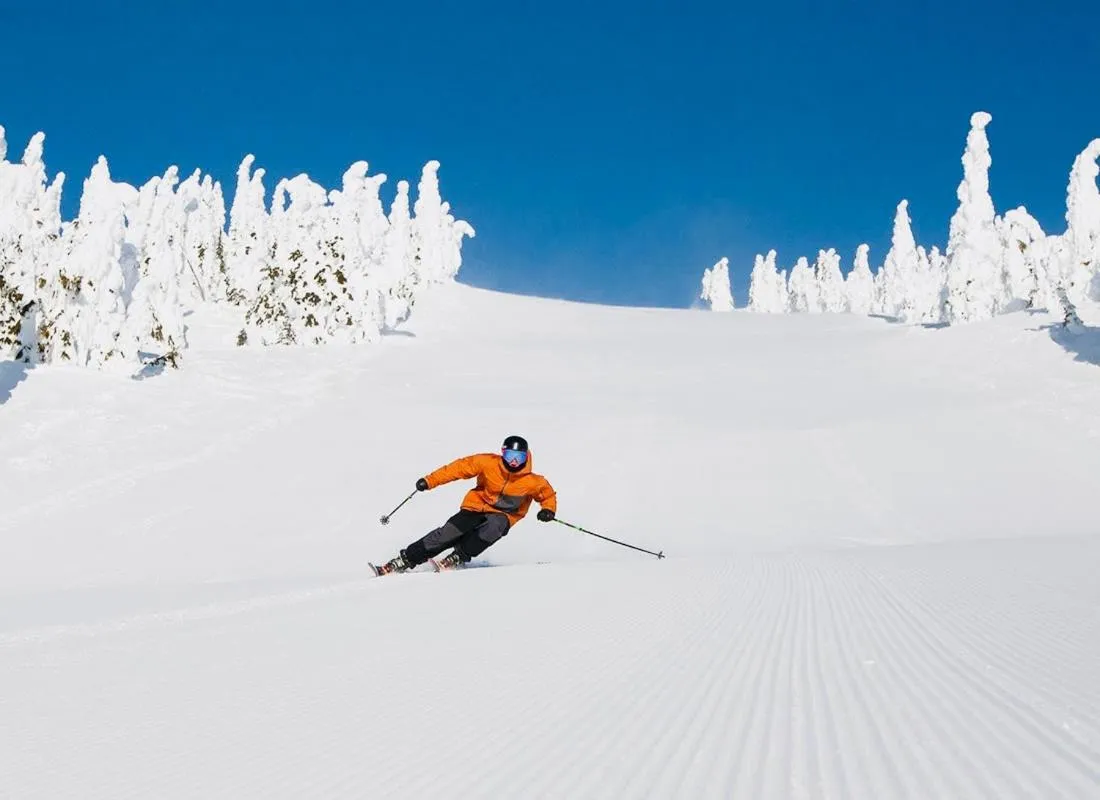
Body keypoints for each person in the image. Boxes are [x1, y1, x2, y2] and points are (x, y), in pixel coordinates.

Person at [374, 435, 558, 574]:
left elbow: (547, 495)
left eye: (519, 457)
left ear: (527, 457)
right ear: (503, 453)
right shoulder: (488, 463)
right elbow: (458, 468)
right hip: (477, 506)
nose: (514, 461)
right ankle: (405, 559)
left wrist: (548, 510)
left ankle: (458, 557)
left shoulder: (534, 481)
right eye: (510, 455)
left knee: (494, 527)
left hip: (504, 515)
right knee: (449, 533)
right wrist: (430, 481)